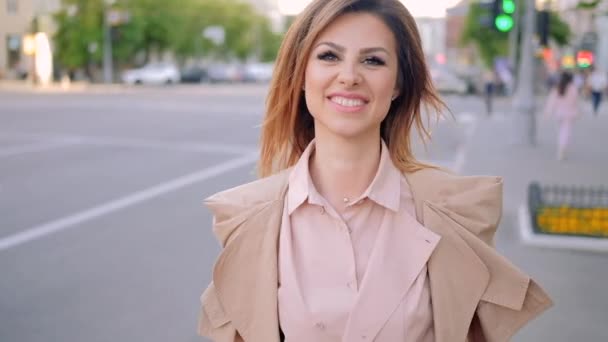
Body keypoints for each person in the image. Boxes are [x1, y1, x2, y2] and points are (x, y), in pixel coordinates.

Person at [197, 1, 552, 341]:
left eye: (372, 60)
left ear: (398, 84)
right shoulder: (250, 218)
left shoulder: (454, 212)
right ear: (302, 74)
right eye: (329, 56)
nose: (349, 76)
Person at [544, 71, 581, 161]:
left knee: (561, 131)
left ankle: (561, 148)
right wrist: (578, 112)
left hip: (559, 113)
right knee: (565, 132)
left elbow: (551, 101)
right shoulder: (573, 88)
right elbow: (576, 102)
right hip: (569, 114)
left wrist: (548, 112)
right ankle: (562, 149)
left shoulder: (558, 87)